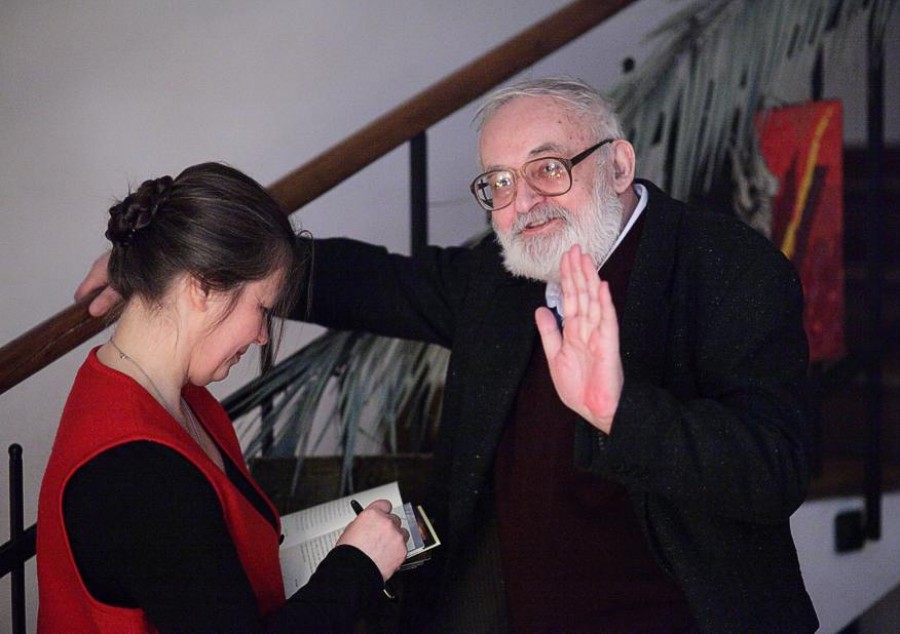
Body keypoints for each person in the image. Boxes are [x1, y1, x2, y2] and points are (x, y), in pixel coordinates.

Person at [77, 78, 819, 632]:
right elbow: (377, 282)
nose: (522, 202)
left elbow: (776, 471)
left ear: (619, 166)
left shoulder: (730, 270)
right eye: (499, 183)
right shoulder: (505, 277)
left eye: (548, 168)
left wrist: (618, 412)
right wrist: (181, 264)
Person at [40, 162, 409, 633]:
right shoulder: (138, 473)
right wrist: (357, 566)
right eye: (262, 309)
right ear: (202, 286)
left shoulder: (175, 395)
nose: (262, 336)